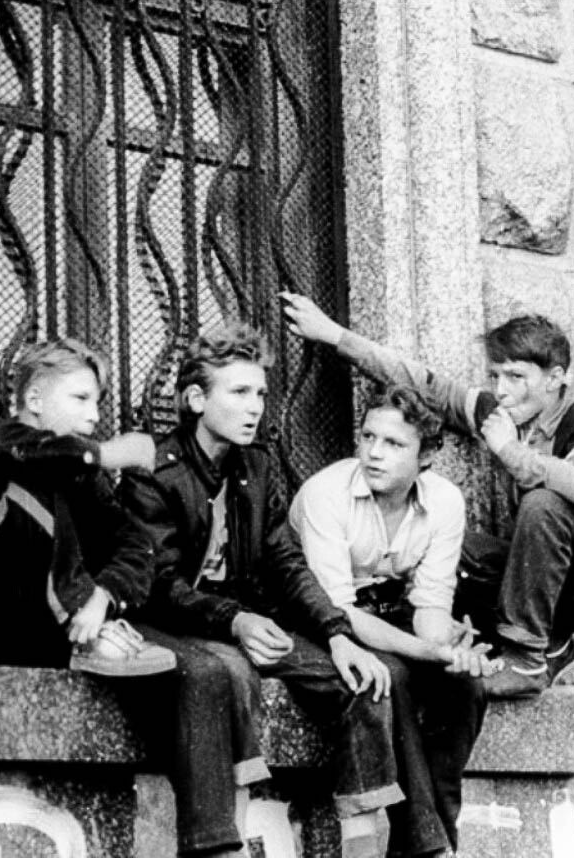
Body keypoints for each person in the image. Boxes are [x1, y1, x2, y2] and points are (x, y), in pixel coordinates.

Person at [118, 323, 405, 858]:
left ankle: (365, 846)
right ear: (197, 399)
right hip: (176, 623)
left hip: (243, 623)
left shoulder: (257, 466)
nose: (256, 407)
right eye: (240, 392)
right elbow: (160, 586)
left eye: (262, 393)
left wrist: (339, 635)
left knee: (361, 681)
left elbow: (288, 563)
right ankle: (219, 844)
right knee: (225, 671)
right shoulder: (154, 473)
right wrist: (235, 621)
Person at [282, 293, 574, 699]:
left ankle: (526, 659)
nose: (502, 391)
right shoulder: (501, 412)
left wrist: (510, 450)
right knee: (455, 548)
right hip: (550, 572)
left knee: (542, 505)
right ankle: (548, 644)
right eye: (495, 377)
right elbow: (425, 383)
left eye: (516, 377)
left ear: (556, 377)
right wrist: (333, 335)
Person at [290, 384, 497, 857]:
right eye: (367, 437)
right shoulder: (326, 494)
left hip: (393, 613)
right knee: (394, 676)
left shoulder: (444, 501)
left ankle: (426, 841)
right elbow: (339, 611)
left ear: (426, 456)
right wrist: (427, 651)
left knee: (466, 689)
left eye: (394, 444)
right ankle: (432, 848)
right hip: (322, 620)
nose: (373, 454)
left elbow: (429, 604)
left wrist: (449, 652)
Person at [0, 337, 175, 676]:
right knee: (29, 483)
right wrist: (103, 455)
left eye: (97, 403)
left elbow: (135, 544)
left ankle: (82, 625)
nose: (94, 416)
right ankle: (76, 627)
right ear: (34, 398)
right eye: (80, 399)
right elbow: (28, 452)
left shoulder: (83, 475)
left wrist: (103, 597)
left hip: (61, 620)